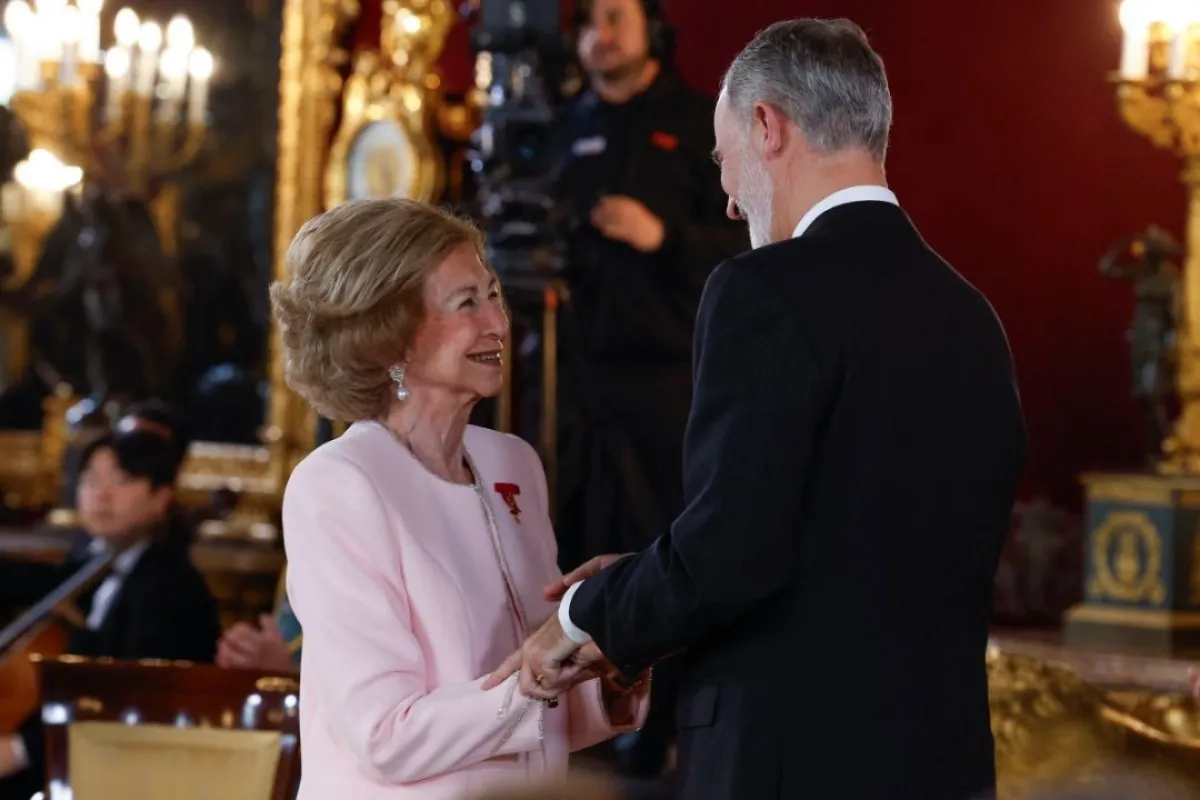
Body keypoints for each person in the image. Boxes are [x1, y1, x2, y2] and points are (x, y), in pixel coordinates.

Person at [488, 18, 1027, 800]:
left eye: (722, 158)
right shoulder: (970, 314)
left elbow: (731, 552)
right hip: (942, 763)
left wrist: (582, 615)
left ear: (768, 126)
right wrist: (649, 571)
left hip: (789, 762)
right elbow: (840, 532)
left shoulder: (761, 291)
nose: (731, 202)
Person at [269, 198, 649, 800]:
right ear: (386, 336)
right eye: (465, 302)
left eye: (493, 294)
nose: (497, 323)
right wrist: (533, 682)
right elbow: (386, 735)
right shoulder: (340, 483)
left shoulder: (512, 464)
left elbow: (535, 713)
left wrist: (610, 647)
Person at [547, 0, 747, 775]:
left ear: (652, 27)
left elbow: (745, 243)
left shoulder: (701, 122)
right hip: (569, 382)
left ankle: (661, 732)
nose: (603, 30)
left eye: (617, 13)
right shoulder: (556, 129)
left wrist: (659, 235)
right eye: (589, 17)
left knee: (658, 549)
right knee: (567, 547)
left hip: (667, 384)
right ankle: (575, 718)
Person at [0, 426, 221, 799]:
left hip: (123, 770)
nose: (100, 494)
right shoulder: (95, 562)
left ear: (161, 497)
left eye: (122, 480)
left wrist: (21, 749)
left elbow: (123, 696)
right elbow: (34, 581)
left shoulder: (169, 588)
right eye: (90, 480)